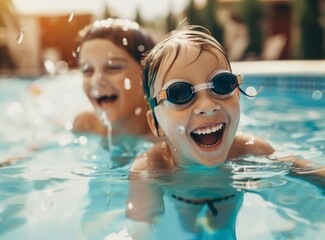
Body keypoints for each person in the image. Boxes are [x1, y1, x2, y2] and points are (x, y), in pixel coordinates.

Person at [126, 26, 325, 233]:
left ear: (237, 95)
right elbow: (140, 230)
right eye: (179, 93)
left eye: (221, 84)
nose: (207, 106)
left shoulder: (249, 150)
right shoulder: (151, 169)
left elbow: (305, 170)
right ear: (155, 124)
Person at [73, 18, 155, 138]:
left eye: (113, 67)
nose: (96, 80)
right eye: (87, 71)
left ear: (149, 75)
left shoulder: (167, 140)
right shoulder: (85, 125)